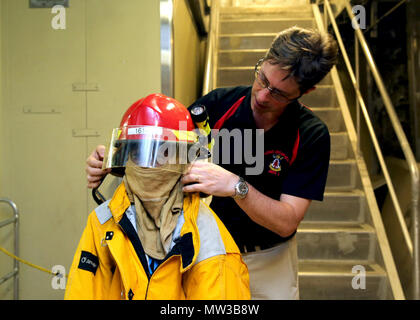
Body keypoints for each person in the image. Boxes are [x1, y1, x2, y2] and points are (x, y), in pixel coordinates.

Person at [86, 26, 338, 299]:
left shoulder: (311, 135)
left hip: (270, 259)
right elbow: (163, 152)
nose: (263, 95)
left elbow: (286, 222)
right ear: (264, 61)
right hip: (212, 251)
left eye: (279, 93)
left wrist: (235, 186)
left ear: (306, 91)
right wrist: (115, 160)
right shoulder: (217, 106)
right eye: (262, 79)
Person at [65, 94, 250, 300]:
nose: (147, 167)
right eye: (138, 154)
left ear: (183, 160)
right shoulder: (102, 222)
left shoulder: (209, 239)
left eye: (162, 155)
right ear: (125, 158)